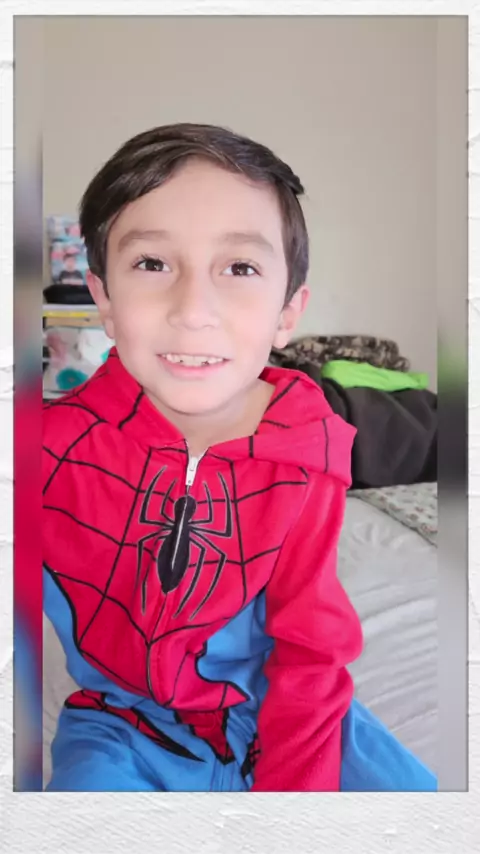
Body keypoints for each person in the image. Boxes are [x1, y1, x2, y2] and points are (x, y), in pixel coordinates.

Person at [42, 123, 437, 792]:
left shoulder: (311, 451)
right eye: (152, 264)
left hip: (286, 713)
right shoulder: (48, 445)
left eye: (240, 268)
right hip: (123, 726)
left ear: (288, 312)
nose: (193, 310)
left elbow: (310, 650)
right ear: (103, 298)